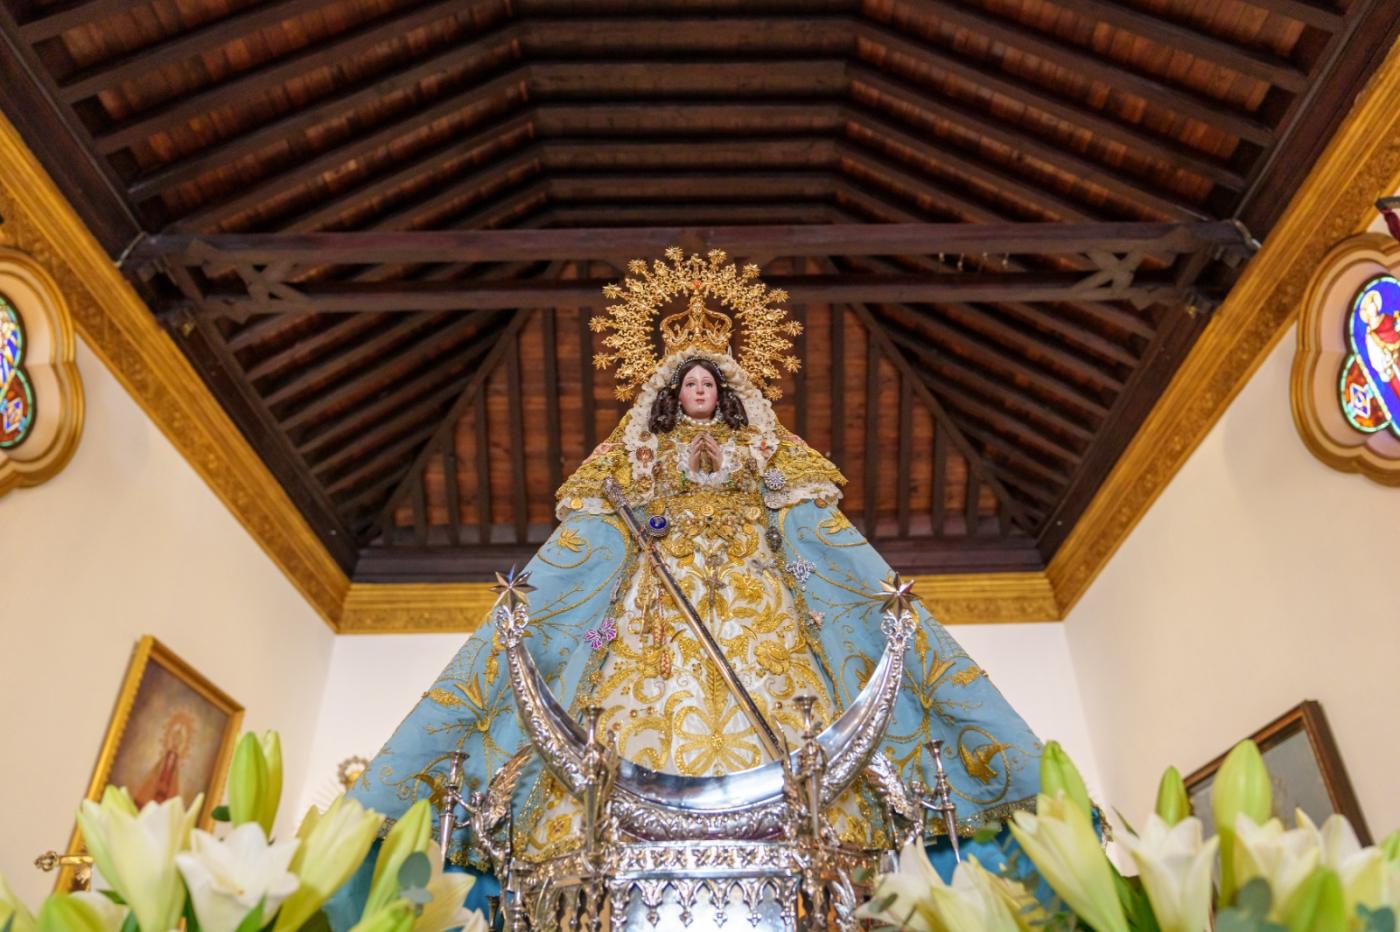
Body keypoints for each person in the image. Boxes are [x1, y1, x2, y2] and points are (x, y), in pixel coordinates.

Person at [336, 251, 1045, 923]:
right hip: (653, 602)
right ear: (671, 397)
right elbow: (599, 509)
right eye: (689, 386)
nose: (699, 393)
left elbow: (798, 506)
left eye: (710, 385)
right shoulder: (645, 452)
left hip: (760, 596)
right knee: (621, 690)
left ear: (728, 393)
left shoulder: (757, 447)